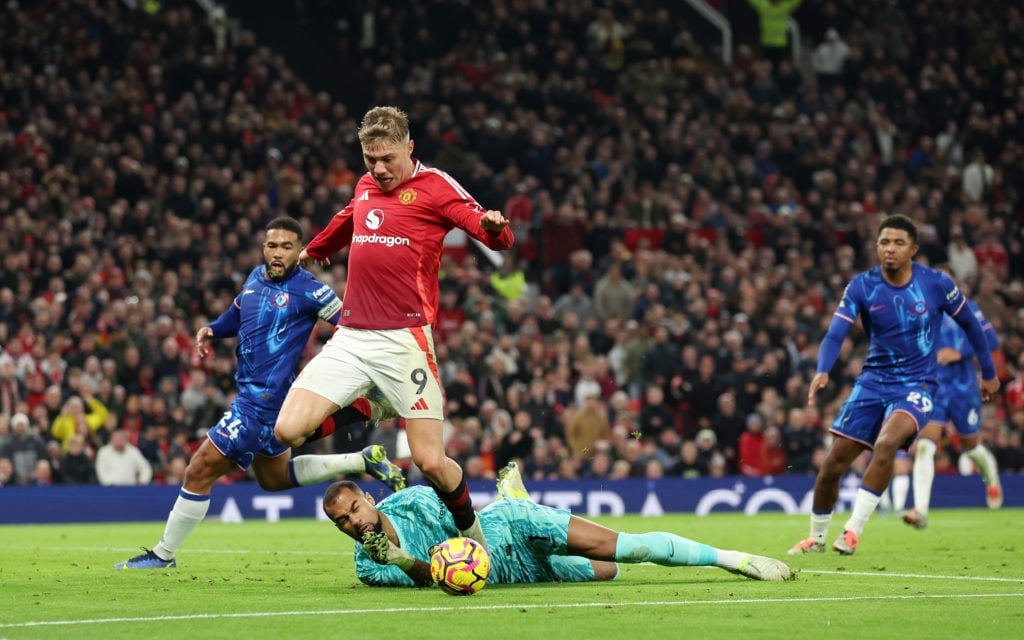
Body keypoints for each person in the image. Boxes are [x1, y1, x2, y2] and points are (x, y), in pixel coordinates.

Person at [274, 106, 515, 551]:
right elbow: (348, 219)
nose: (379, 170)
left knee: (430, 460)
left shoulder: (436, 186)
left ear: (409, 147)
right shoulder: (366, 185)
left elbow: (487, 230)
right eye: (370, 160)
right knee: (287, 431)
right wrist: (314, 249)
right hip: (351, 337)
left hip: (404, 340)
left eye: (388, 159)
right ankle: (375, 407)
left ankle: (474, 537)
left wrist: (494, 229)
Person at [116, 216, 405, 569]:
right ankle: (362, 460)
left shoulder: (310, 290)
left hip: (259, 405)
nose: (278, 253)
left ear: (300, 251)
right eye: (272, 246)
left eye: (287, 246)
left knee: (198, 470)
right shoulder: (255, 278)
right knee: (273, 478)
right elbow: (238, 313)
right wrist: (212, 328)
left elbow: (351, 325)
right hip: (273, 403)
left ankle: (163, 555)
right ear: (263, 248)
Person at [789, 214, 999, 556]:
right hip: (872, 382)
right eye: (884, 242)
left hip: (918, 385)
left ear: (913, 249)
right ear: (876, 247)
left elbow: (973, 327)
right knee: (833, 464)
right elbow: (835, 332)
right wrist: (823, 369)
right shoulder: (862, 285)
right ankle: (816, 538)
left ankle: (852, 532)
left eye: (899, 242)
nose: (890, 248)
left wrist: (988, 373)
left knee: (886, 443)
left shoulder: (936, 284)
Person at [323, 462, 792, 588]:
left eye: (354, 509)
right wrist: (404, 561)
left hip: (509, 530)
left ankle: (733, 559)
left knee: (626, 550)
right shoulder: (369, 568)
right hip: (521, 574)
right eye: (342, 521)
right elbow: (433, 580)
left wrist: (467, 556)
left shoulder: (416, 501)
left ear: (369, 498)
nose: (353, 522)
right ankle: (516, 492)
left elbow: (470, 536)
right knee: (610, 574)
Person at [901, 274, 1003, 529]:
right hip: (933, 388)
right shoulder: (919, 313)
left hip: (963, 389)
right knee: (925, 446)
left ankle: (991, 475)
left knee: (970, 447)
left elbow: (992, 341)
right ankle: (921, 510)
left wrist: (960, 352)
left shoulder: (969, 309)